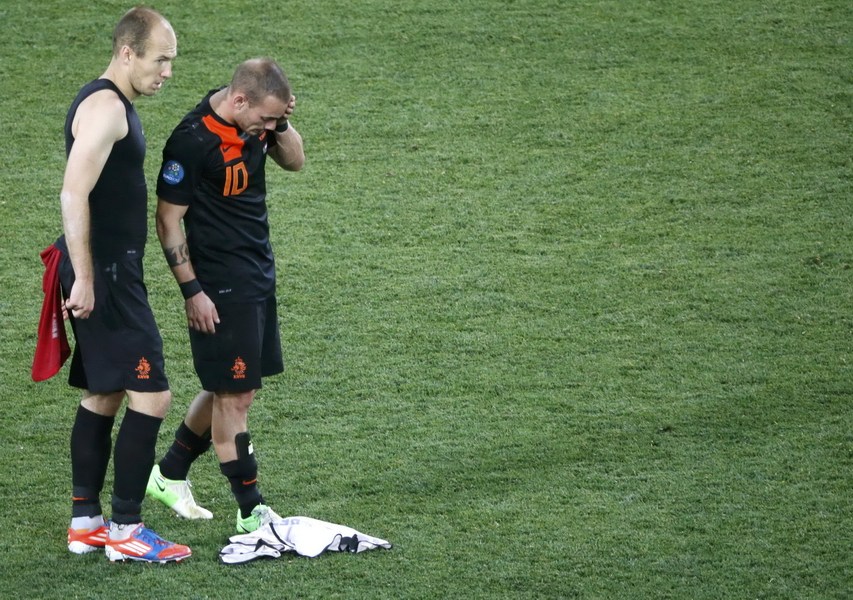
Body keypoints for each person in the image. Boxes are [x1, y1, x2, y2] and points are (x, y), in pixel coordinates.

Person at [54, 7, 191, 563]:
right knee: (153, 395)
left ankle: (87, 521)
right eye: (160, 60)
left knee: (105, 392)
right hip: (103, 273)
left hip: (108, 269)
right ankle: (128, 531)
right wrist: (85, 277)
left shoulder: (111, 101)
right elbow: (71, 193)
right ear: (127, 52)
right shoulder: (108, 107)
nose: (167, 72)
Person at [146, 58, 305, 534]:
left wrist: (281, 123)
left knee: (232, 386)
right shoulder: (191, 143)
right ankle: (251, 511)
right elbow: (167, 220)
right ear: (240, 101)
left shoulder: (256, 118)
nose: (270, 127)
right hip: (220, 283)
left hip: (257, 271)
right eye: (266, 119)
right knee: (235, 396)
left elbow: (295, 160)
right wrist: (193, 291)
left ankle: (169, 474)